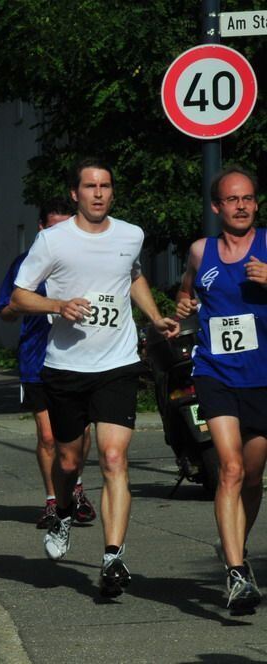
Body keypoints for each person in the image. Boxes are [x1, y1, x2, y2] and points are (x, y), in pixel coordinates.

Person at [10, 158, 179, 598]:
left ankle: (112, 556)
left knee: (114, 458)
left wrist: (156, 317)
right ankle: (63, 511)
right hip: (65, 367)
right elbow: (19, 295)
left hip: (117, 364)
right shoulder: (52, 240)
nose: (99, 194)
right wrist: (57, 306)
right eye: (90, 186)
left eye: (105, 186)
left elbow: (133, 277)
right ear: (75, 193)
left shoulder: (130, 235)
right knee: (68, 461)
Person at [176, 167, 267, 612]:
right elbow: (186, 292)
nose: (241, 206)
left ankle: (236, 549)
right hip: (214, 373)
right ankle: (235, 572)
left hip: (262, 377)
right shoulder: (200, 251)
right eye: (232, 200)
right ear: (217, 207)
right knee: (229, 468)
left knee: (253, 476)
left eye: (248, 198)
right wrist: (183, 303)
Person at [0, 199, 97, 529]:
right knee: (49, 436)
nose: (59, 234)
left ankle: (76, 488)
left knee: (81, 435)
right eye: (52, 227)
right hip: (37, 359)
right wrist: (28, 306)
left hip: (79, 356)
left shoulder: (84, 258)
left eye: (64, 227)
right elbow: (6, 311)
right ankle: (54, 501)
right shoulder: (25, 264)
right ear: (41, 228)